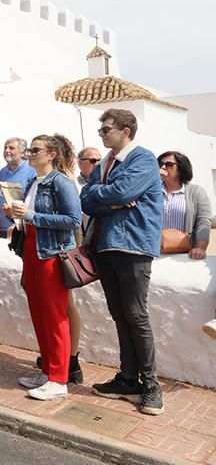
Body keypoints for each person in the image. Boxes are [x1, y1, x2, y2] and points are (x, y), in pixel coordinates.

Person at [81, 108, 165, 416]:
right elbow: (85, 199)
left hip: (133, 246)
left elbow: (125, 190)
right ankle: (129, 378)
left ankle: (152, 385)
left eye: (106, 129)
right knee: (119, 314)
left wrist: (106, 196)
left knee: (135, 314)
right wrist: (111, 200)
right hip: (106, 245)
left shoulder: (142, 159)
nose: (101, 134)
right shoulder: (104, 163)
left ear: (125, 131)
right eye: (101, 130)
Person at [5, 135, 81, 400]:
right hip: (32, 251)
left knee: (55, 317)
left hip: (51, 253)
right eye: (29, 150)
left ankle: (59, 380)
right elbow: (27, 217)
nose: (29, 154)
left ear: (51, 154)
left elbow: (73, 219)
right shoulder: (32, 182)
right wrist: (15, 215)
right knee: (38, 314)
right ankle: (48, 371)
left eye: (35, 150)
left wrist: (32, 216)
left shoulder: (61, 182)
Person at [158, 150, 211, 260]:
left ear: (181, 168)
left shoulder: (196, 192)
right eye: (159, 164)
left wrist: (200, 249)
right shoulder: (152, 191)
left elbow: (203, 222)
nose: (163, 167)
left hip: (184, 254)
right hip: (154, 251)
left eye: (169, 165)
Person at [0, 137, 37, 238]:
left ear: (23, 153)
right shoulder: (2, 172)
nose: (7, 151)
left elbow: (34, 201)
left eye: (11, 148)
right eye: (5, 148)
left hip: (22, 229)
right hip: (3, 229)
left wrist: (19, 224)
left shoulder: (33, 170)